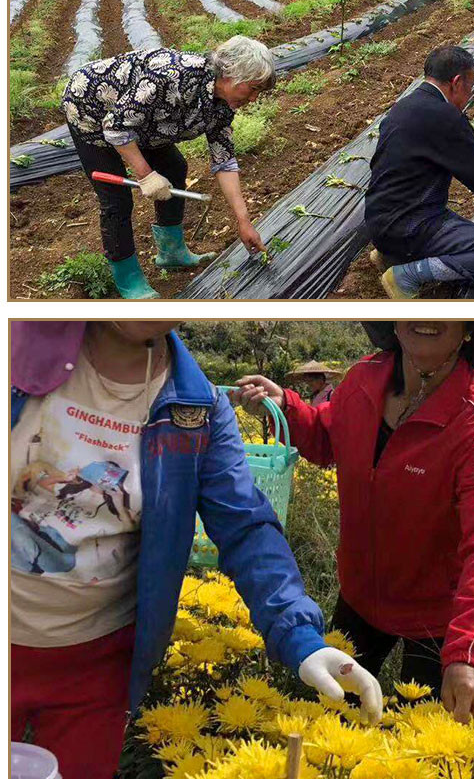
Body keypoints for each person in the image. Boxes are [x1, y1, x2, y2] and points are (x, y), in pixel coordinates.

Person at [10, 321, 382, 779]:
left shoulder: (196, 406)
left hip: (97, 667)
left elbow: (247, 527)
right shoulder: (17, 350)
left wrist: (302, 638)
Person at [234, 320, 474, 723]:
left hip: (436, 618)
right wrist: (286, 405)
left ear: (468, 330)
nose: (428, 319)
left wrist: (471, 655)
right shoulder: (364, 380)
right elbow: (328, 437)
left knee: (418, 745)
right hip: (359, 598)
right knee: (331, 720)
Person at [62, 36, 272, 300]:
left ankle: (171, 252)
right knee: (115, 199)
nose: (253, 98)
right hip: (91, 110)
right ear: (231, 74)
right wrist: (146, 174)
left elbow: (225, 161)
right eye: (252, 89)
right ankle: (128, 280)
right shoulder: (173, 78)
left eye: (259, 93)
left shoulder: (222, 106)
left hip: (144, 121)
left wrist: (244, 221)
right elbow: (116, 126)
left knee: (174, 166)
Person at [364, 44, 474, 300]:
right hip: (410, 226)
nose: (469, 94)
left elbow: (431, 153)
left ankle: (390, 255)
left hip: (380, 220)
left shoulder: (405, 107)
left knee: (452, 224)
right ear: (456, 82)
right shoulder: (445, 116)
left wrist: (473, 147)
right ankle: (406, 274)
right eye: (470, 86)